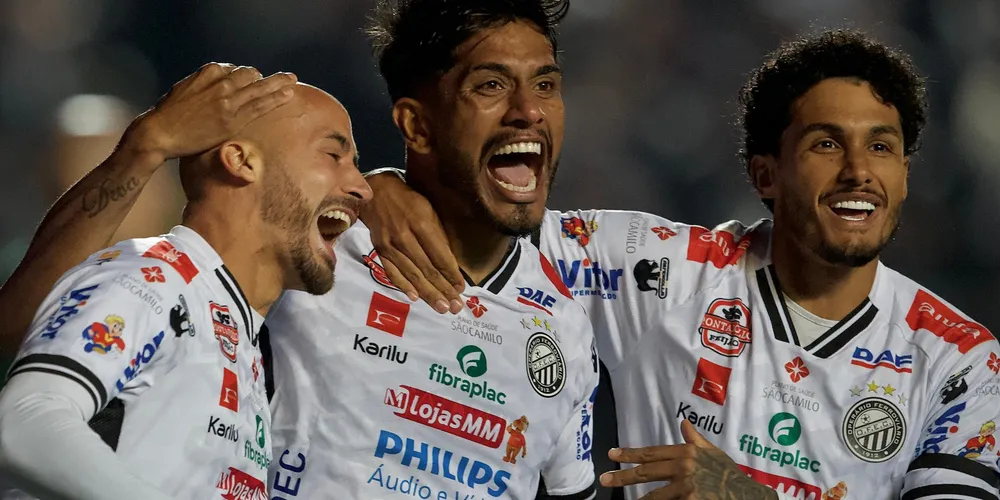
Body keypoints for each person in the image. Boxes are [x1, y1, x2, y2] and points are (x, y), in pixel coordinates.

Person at [359, 30, 1000, 499]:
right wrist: (382, 188)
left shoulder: (962, 362)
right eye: (826, 144)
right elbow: (479, 220)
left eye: (882, 147)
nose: (859, 172)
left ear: (906, 176)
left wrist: (747, 497)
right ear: (765, 174)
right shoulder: (663, 273)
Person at [0, 2, 600, 499]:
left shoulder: (245, 344)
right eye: (335, 155)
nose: (528, 109)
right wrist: (146, 147)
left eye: (546, 84)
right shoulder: (161, 277)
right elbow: (25, 395)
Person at [0, 63, 372, 499]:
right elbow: (24, 422)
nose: (362, 187)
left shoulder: (241, 336)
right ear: (241, 161)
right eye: (333, 155)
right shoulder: (151, 277)